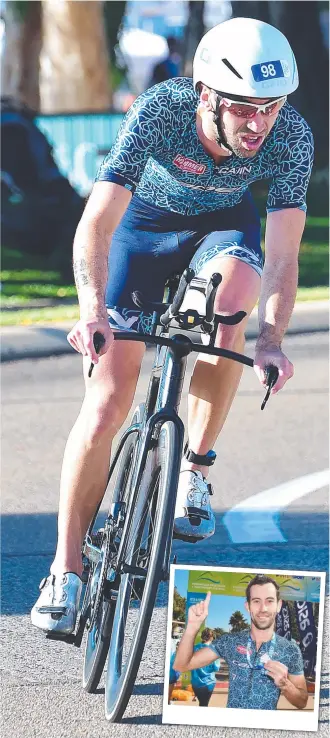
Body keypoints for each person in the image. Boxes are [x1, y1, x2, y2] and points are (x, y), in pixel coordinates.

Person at [31, 17, 313, 634]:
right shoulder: (164, 109)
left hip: (221, 229)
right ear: (208, 95)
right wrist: (91, 314)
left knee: (235, 293)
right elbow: (98, 223)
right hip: (142, 231)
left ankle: (195, 472)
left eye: (270, 108)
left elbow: (284, 254)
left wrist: (271, 341)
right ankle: (66, 569)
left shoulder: (290, 135)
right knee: (106, 403)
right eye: (243, 108)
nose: (258, 124)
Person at [174, 575, 308, 710]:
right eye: (256, 601)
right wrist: (191, 628)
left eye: (269, 601)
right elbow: (182, 665)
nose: (263, 608)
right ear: (248, 606)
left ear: (278, 605)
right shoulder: (230, 641)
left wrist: (285, 685)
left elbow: (302, 702)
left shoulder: (291, 650)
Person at [190, 628, 220, 706]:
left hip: (195, 683)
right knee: (204, 704)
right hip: (208, 683)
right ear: (212, 637)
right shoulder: (214, 650)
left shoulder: (193, 648)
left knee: (202, 703)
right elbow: (216, 668)